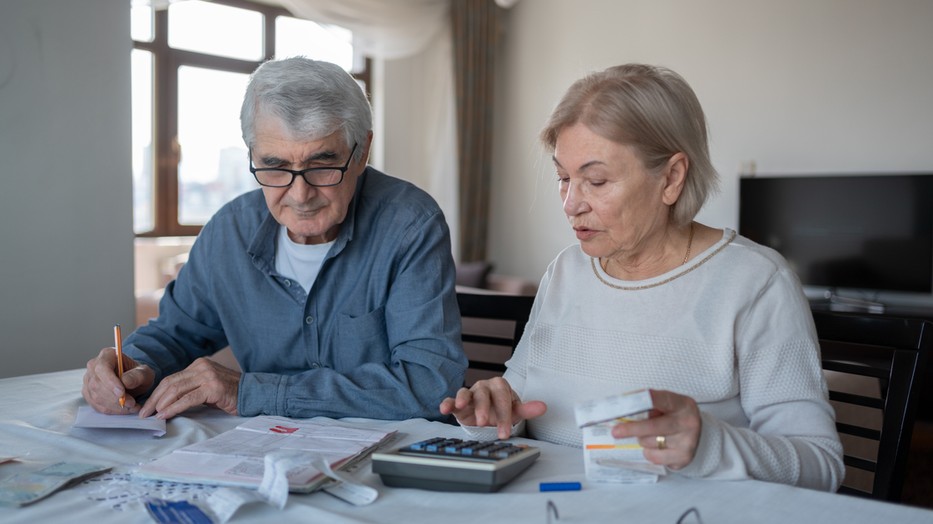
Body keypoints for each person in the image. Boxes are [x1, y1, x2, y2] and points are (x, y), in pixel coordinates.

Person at [440, 63, 844, 491]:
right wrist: (491, 414)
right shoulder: (566, 270)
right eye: (563, 177)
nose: (571, 203)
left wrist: (708, 444)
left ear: (671, 178)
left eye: (596, 180)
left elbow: (821, 466)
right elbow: (520, 404)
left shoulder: (754, 282)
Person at [84, 57, 466, 421]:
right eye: (275, 166)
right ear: (252, 154)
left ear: (361, 151)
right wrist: (129, 367)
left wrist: (254, 392)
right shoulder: (228, 231)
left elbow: (430, 385)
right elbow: (173, 334)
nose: (300, 195)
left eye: (322, 164)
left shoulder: (409, 225)